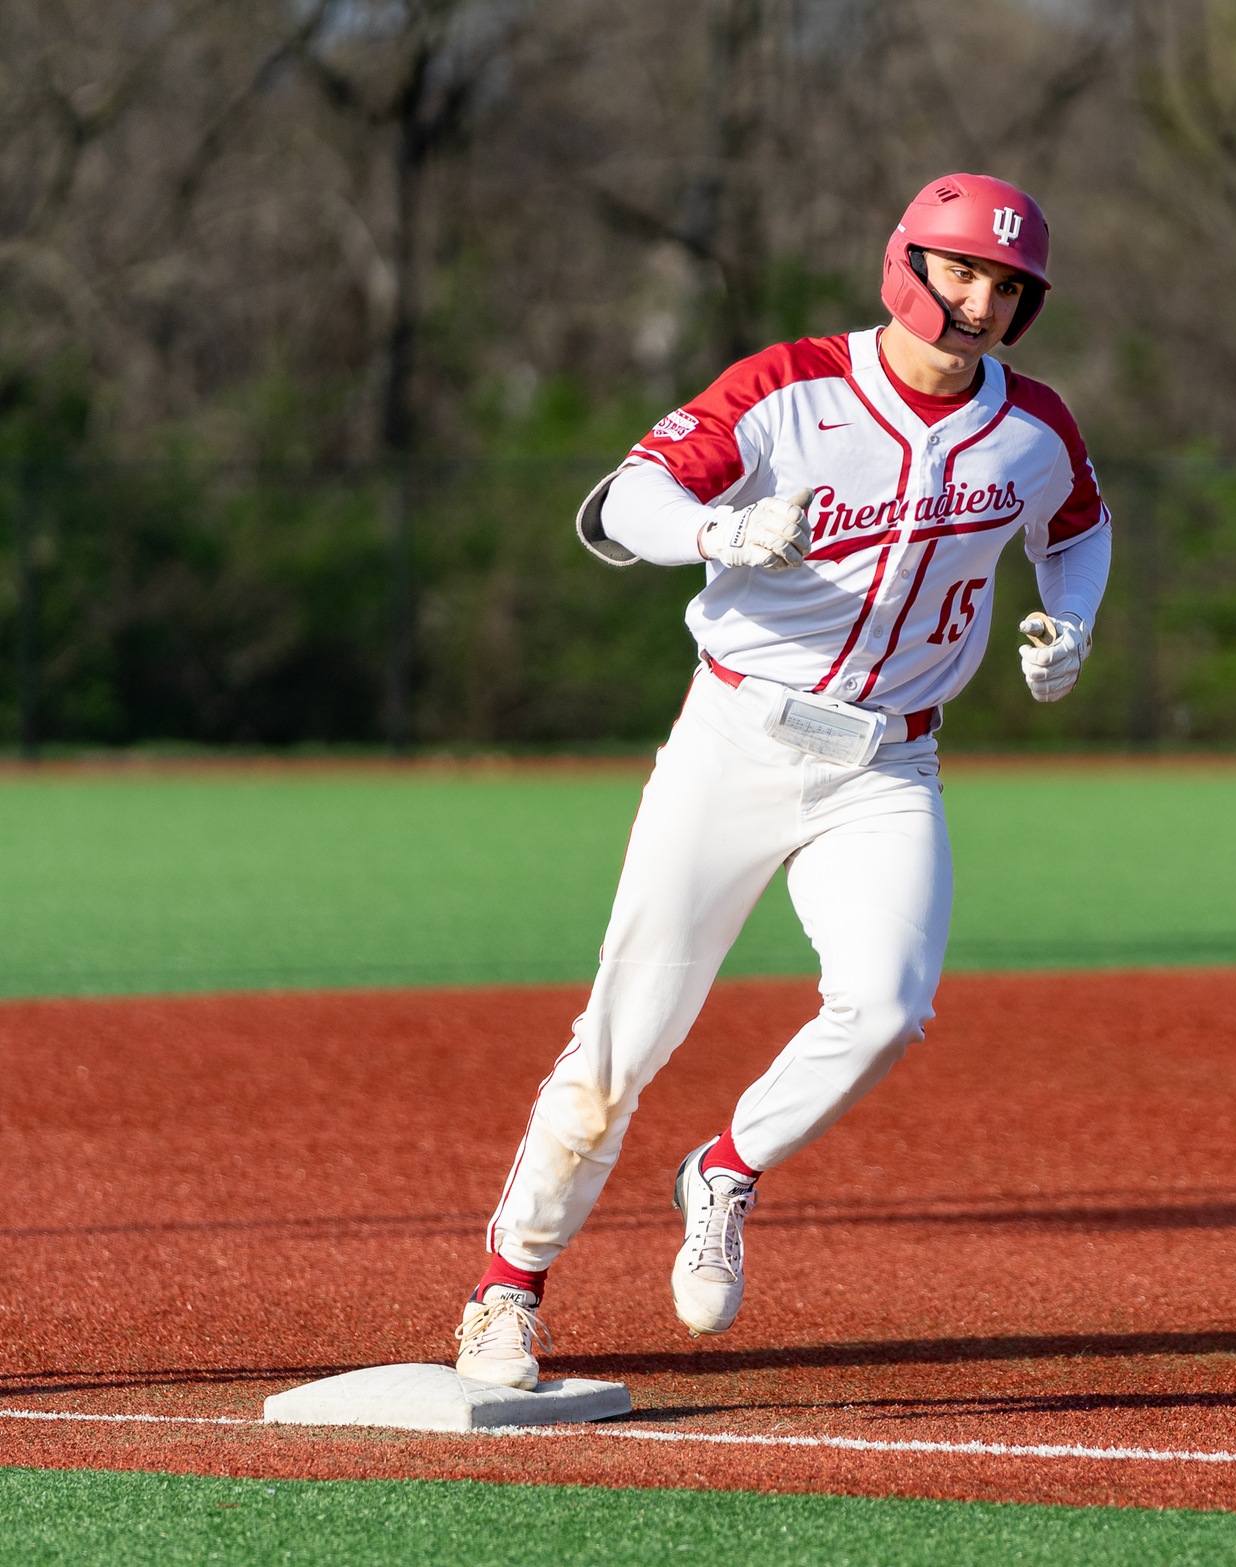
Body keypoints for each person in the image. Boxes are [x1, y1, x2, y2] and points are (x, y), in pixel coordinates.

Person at [450, 172, 1111, 1390]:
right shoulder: (791, 386)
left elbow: (1074, 526)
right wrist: (714, 531)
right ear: (904, 264)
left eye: (1005, 286)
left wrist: (1068, 621)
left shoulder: (1031, 426)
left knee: (887, 1002)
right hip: (738, 739)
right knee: (624, 1037)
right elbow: (622, 499)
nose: (977, 301)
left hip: (889, 758)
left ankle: (728, 1167)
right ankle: (508, 1287)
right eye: (959, 271)